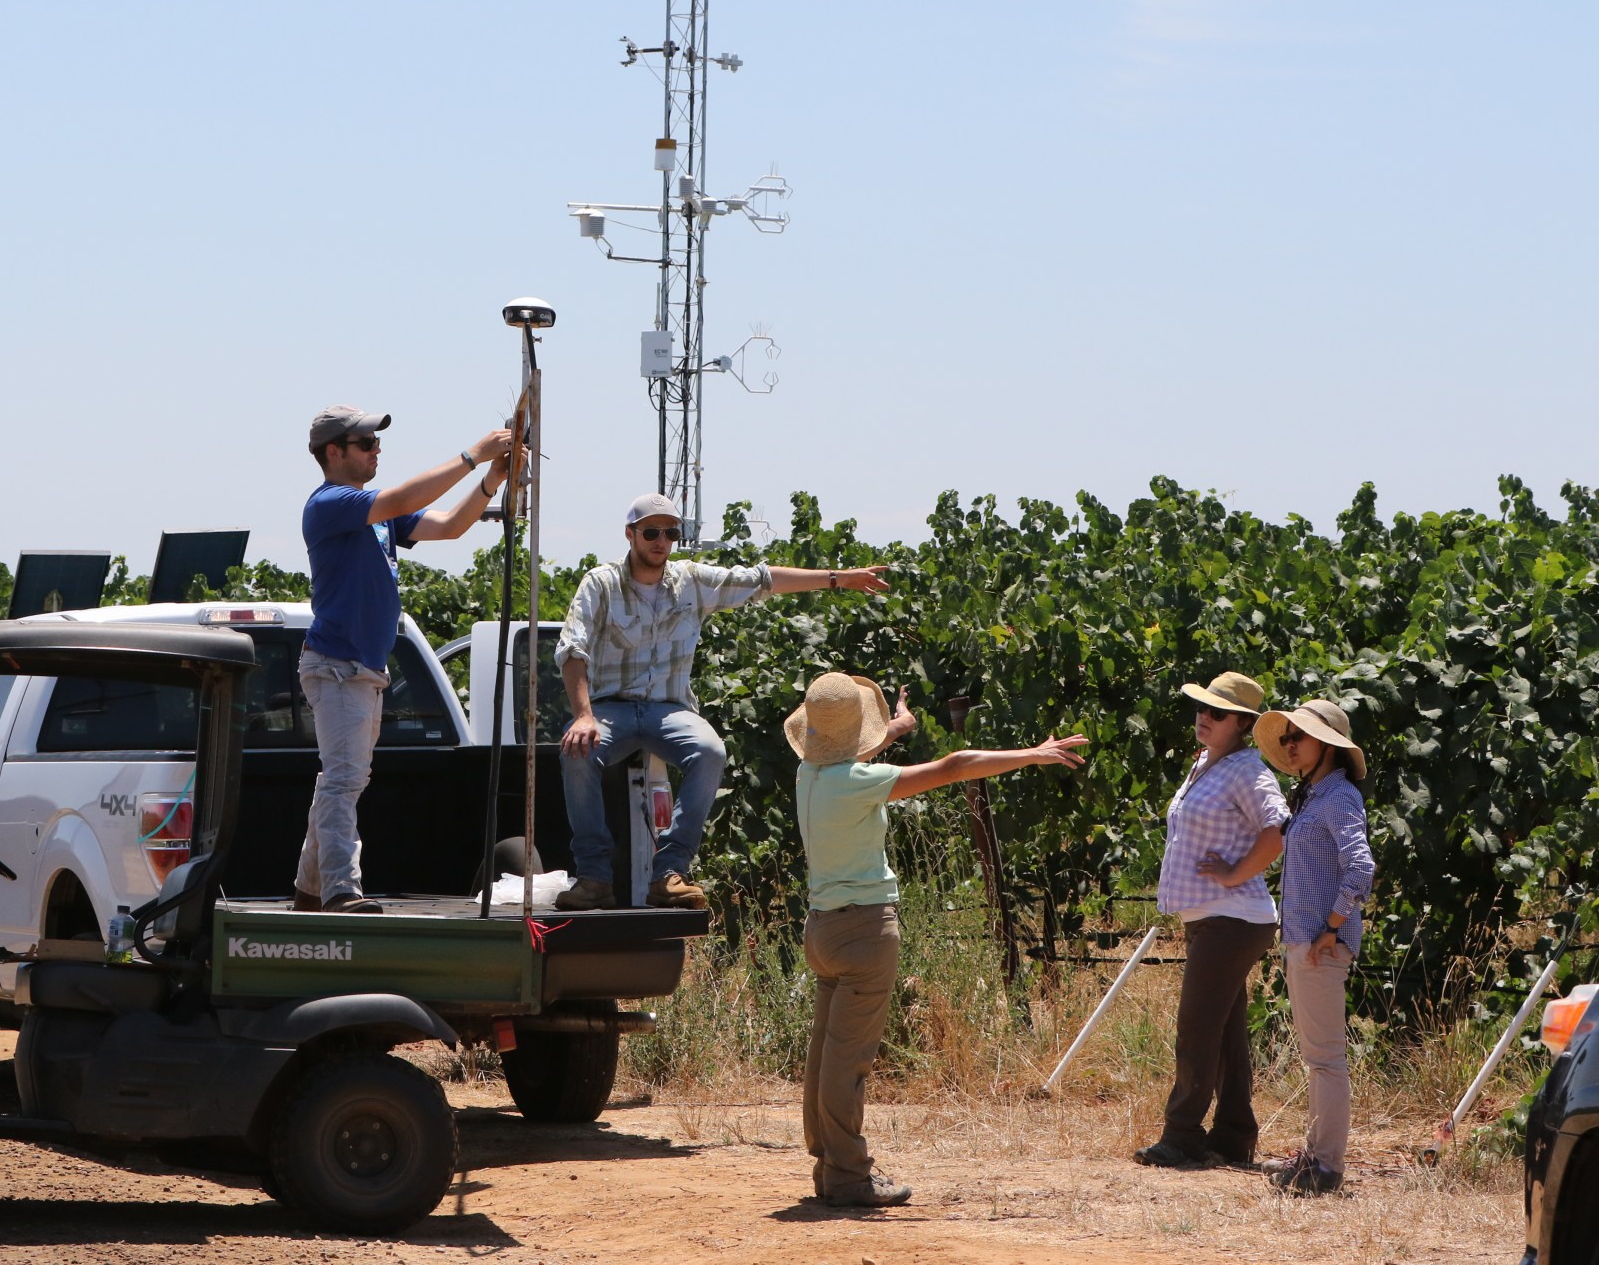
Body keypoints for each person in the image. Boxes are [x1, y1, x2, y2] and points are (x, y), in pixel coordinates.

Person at [787, 671, 1087, 1207]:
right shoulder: (859, 782)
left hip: (822, 928)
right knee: (848, 1060)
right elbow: (955, 766)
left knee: (825, 1054)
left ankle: (828, 1167)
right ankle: (850, 1175)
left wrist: (897, 728)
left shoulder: (808, 773)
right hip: (864, 932)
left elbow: (846, 754)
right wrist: (1031, 754)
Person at [552, 492, 892, 910]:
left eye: (671, 532)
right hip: (612, 709)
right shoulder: (600, 583)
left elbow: (763, 579)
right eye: (652, 532)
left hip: (668, 707)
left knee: (710, 751)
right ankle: (594, 877)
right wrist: (584, 716)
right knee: (576, 751)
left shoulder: (691, 581)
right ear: (630, 535)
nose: (662, 540)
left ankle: (670, 872)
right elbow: (572, 649)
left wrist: (838, 578)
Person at [296, 405, 517, 913]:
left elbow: (450, 526)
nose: (378, 451)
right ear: (335, 452)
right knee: (346, 780)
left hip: (361, 670)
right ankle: (340, 891)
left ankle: (309, 891)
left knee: (341, 780)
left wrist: (491, 480)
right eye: (367, 443)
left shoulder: (373, 515)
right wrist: (472, 456)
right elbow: (401, 498)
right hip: (338, 667)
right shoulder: (330, 503)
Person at [1133, 671, 1290, 1171]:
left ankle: (1181, 1137)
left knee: (1196, 1029)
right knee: (1223, 1033)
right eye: (1201, 708)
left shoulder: (1248, 770)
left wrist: (1236, 873)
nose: (1203, 717)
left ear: (1242, 724)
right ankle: (1233, 1137)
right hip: (1213, 917)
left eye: (1216, 712)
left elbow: (1277, 828)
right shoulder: (1204, 762)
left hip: (1234, 918)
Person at [1255, 698, 1376, 1196]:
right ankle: (1317, 1160)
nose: (1288, 745)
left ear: (1326, 744)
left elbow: (1361, 867)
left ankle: (1325, 1167)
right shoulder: (1315, 797)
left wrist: (1331, 927)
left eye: (1297, 737)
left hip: (1320, 945)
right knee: (1319, 1057)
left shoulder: (1338, 797)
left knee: (1324, 1058)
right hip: (1308, 942)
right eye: (1285, 738)